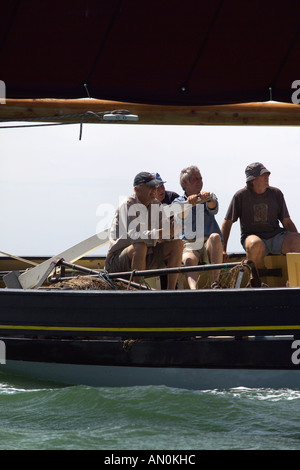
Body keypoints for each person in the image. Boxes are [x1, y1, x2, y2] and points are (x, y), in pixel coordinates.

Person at [221, 162, 300, 283]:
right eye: (262, 175)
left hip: (276, 236)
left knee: (297, 239)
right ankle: (254, 280)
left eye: (267, 174)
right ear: (252, 180)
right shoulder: (240, 196)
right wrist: (223, 249)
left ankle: (294, 281)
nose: (266, 177)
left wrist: (297, 239)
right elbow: (227, 223)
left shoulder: (276, 194)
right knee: (255, 244)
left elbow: (287, 222)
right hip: (252, 237)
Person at [105, 171, 183, 289]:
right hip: (117, 262)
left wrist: (172, 231)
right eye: (150, 186)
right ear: (137, 189)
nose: (154, 189)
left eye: (155, 186)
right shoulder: (127, 205)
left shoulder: (156, 204)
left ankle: (171, 292)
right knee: (139, 246)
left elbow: (165, 232)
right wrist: (162, 232)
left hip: (145, 255)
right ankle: (138, 292)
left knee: (177, 244)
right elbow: (134, 236)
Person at [172, 165, 223, 289]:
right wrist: (189, 203)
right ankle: (194, 291)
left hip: (208, 243)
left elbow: (213, 207)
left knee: (215, 237)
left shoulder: (209, 196)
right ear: (185, 182)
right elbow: (181, 217)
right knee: (189, 260)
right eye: (196, 179)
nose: (200, 181)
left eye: (201, 178)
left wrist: (208, 198)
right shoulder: (177, 202)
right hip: (189, 244)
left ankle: (215, 283)